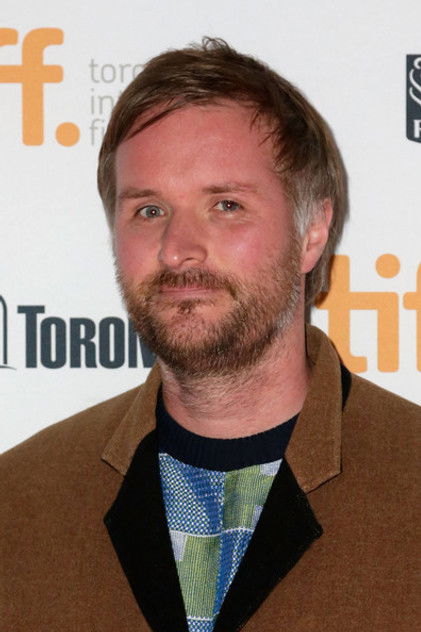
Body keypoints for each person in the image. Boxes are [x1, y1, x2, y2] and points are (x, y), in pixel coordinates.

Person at [1, 38, 419, 632]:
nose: (177, 249)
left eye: (225, 205)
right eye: (148, 210)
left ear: (312, 233)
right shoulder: (17, 503)